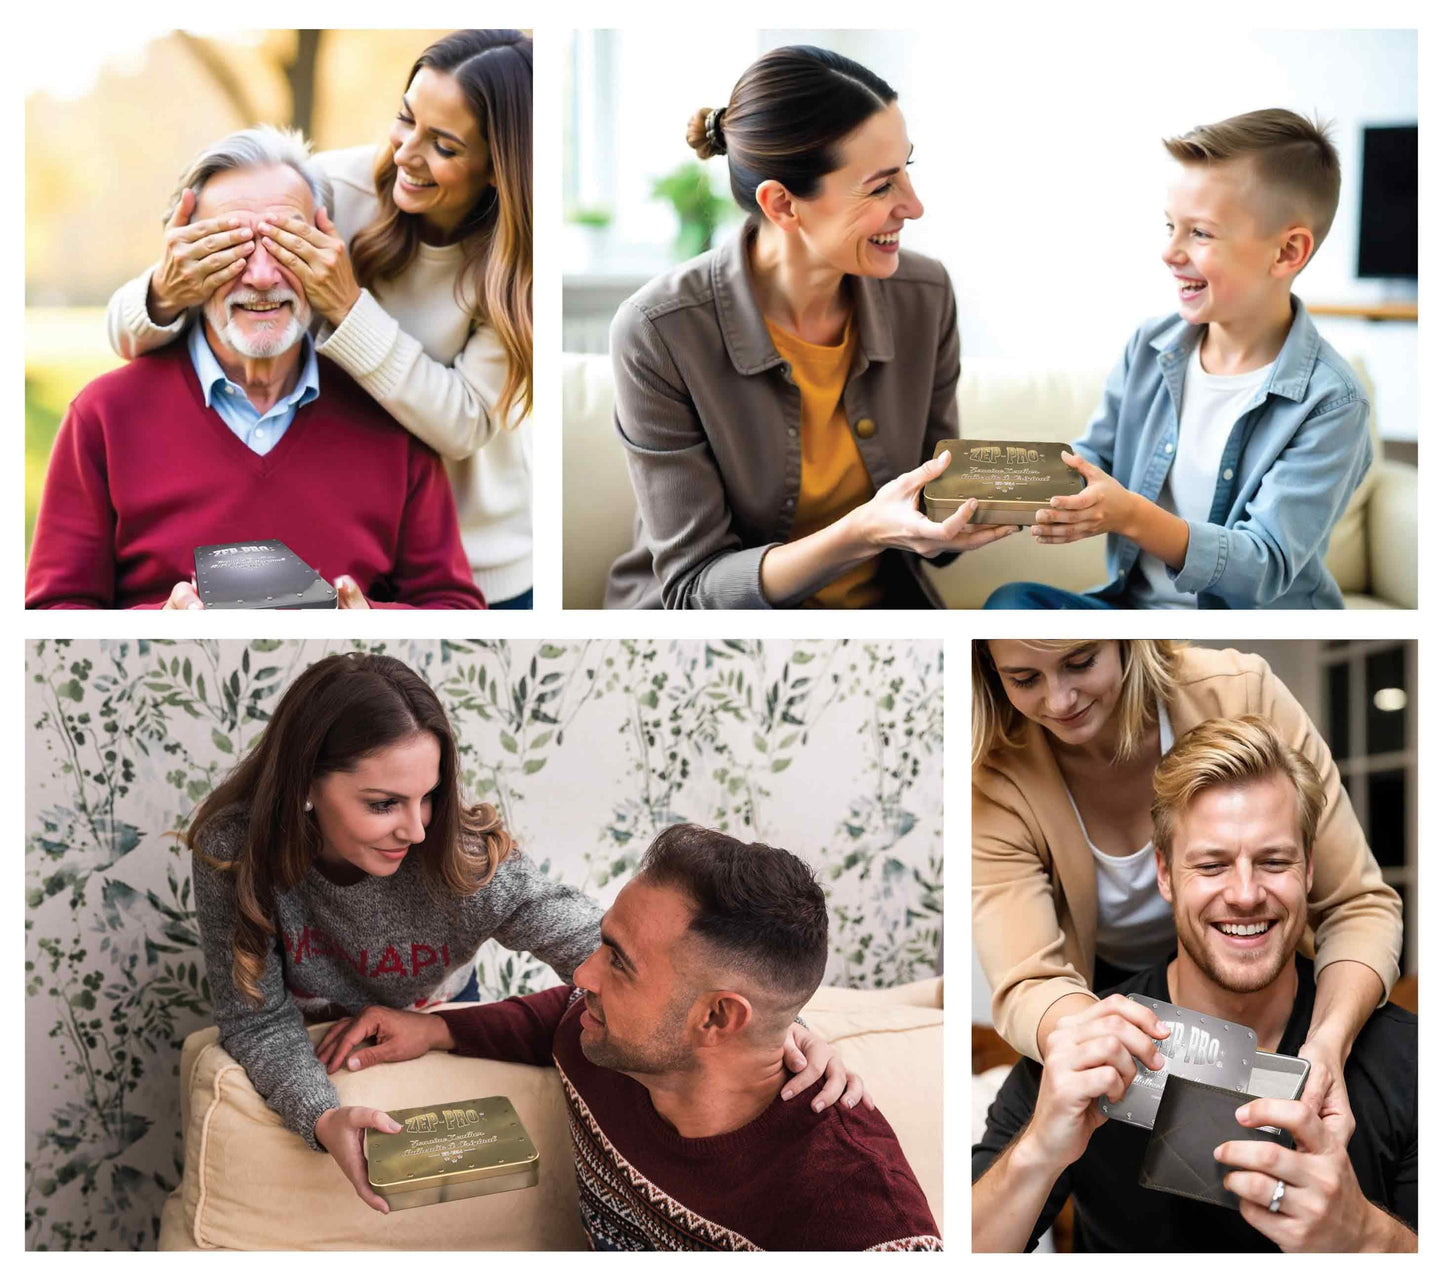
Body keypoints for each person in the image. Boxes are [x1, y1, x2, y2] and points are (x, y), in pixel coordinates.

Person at [188, 654, 861, 1213]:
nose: (417, 829)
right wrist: (320, 1115)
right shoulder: (232, 850)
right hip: (311, 1037)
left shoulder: (463, 855)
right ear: (306, 784)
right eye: (383, 804)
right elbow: (253, 1021)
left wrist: (776, 1035)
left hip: (432, 1015)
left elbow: (593, 948)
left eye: (428, 797)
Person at [317, 823, 940, 1249]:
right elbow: (550, 1015)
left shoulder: (858, 1214)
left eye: (618, 960)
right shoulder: (601, 1040)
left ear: (718, 1019)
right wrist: (435, 1028)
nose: (582, 973)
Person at [104, 31, 535, 608]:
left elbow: (463, 424)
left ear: (496, 167)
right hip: (355, 545)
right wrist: (163, 289)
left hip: (484, 558)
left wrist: (348, 309)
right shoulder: (329, 193)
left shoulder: (520, 261)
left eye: (445, 146)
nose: (406, 153)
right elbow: (130, 331)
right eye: (405, 119)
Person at [973, 717, 1416, 1252]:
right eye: (1211, 865)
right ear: (1164, 873)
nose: (1246, 894)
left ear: (1309, 870)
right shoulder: (1089, 1043)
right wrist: (1039, 1150)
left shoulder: (1409, 1058)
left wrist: (1364, 1236)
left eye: (1274, 862)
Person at [605, 45, 1015, 610]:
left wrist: (1002, 499)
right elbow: (693, 590)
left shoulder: (925, 296)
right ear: (782, 204)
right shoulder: (658, 332)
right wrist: (864, 532)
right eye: (880, 186)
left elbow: (935, 507)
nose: (914, 207)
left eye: (907, 170)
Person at [27, 129, 483, 610]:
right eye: (230, 247)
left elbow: (455, 610)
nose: (262, 277)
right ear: (185, 261)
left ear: (328, 251)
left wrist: (373, 622)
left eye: (288, 244)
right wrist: (156, 628)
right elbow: (49, 617)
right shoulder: (103, 416)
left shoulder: (391, 413)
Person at [971, 640, 1401, 1118]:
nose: (1059, 700)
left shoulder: (1240, 690)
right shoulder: (991, 773)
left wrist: (1325, 1044)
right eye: (1024, 679)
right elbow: (1028, 982)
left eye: (1081, 663)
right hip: (1097, 994)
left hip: (1270, 989)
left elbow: (1358, 905)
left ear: (1124, 641)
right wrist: (1104, 1041)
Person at [984, 109, 1371, 610]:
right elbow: (1093, 460)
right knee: (1013, 606)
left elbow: (1263, 564)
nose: (1169, 252)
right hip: (1136, 619)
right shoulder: (1151, 346)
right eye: (1170, 226)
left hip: (1246, 631)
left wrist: (1130, 516)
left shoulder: (1331, 403)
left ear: (1286, 252)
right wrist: (989, 493)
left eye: (1201, 233)